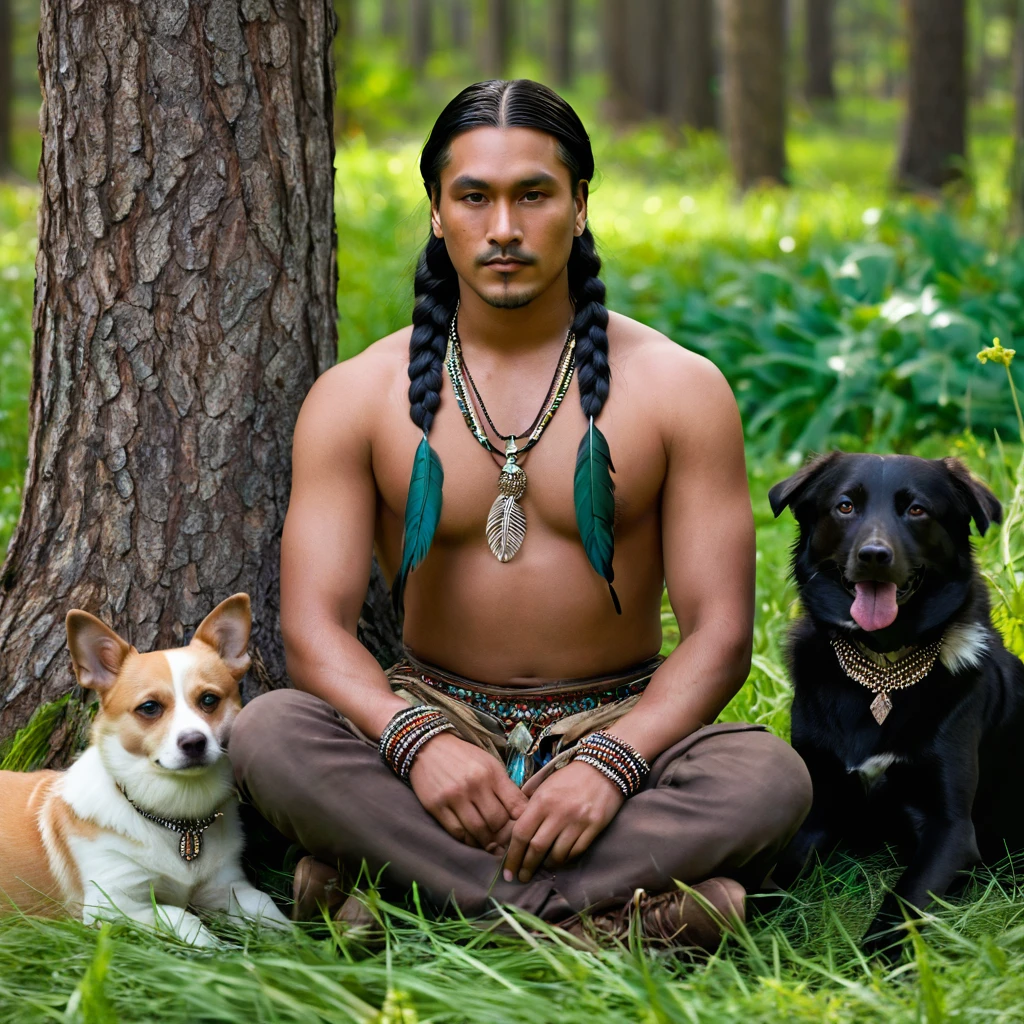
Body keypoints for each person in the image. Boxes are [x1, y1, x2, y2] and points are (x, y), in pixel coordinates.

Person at [230, 79, 811, 950]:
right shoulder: (356, 397)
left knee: (768, 777)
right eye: (475, 196)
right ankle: (610, 922)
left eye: (533, 194)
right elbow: (314, 631)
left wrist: (612, 768)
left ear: (578, 207)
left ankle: (407, 902)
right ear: (437, 212)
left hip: (620, 721)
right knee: (270, 733)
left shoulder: (680, 388)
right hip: (434, 715)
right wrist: (416, 743)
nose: (504, 227)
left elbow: (720, 634)